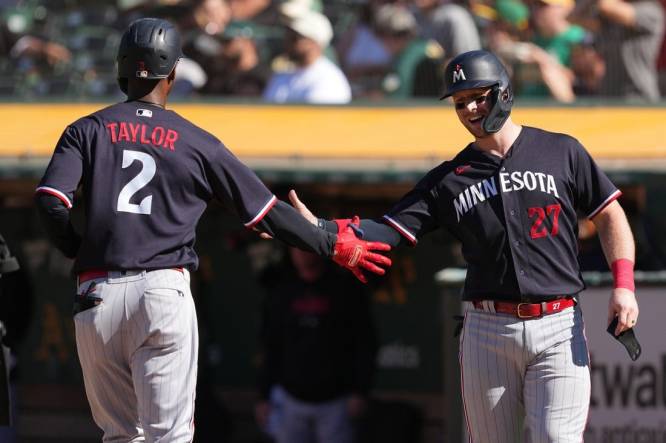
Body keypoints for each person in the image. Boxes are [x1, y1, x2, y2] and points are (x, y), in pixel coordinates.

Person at [33, 18, 391, 443]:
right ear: (173, 73)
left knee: (121, 436)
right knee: (169, 437)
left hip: (98, 294)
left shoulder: (86, 129)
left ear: (121, 69)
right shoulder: (196, 140)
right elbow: (267, 212)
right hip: (163, 291)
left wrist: (78, 249)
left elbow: (50, 199)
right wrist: (328, 242)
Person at [288, 49, 640, 442]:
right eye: (459, 102)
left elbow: (610, 214)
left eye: (478, 95)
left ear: (503, 92)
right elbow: (388, 228)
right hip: (488, 329)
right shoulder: (448, 179)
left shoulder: (561, 150)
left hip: (558, 323)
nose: (470, 108)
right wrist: (317, 228)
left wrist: (623, 285)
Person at [255, 247, 377, 443]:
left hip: (337, 400)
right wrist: (263, 395)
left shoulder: (344, 289)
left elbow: (364, 343)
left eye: (306, 247)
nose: (302, 254)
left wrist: (360, 391)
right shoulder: (282, 291)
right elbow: (270, 346)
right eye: (296, 248)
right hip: (291, 398)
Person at [262, 10, 352, 104]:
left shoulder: (328, 80)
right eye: (287, 35)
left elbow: (314, 117)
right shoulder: (283, 74)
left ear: (315, 42)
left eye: (295, 38)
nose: (288, 42)